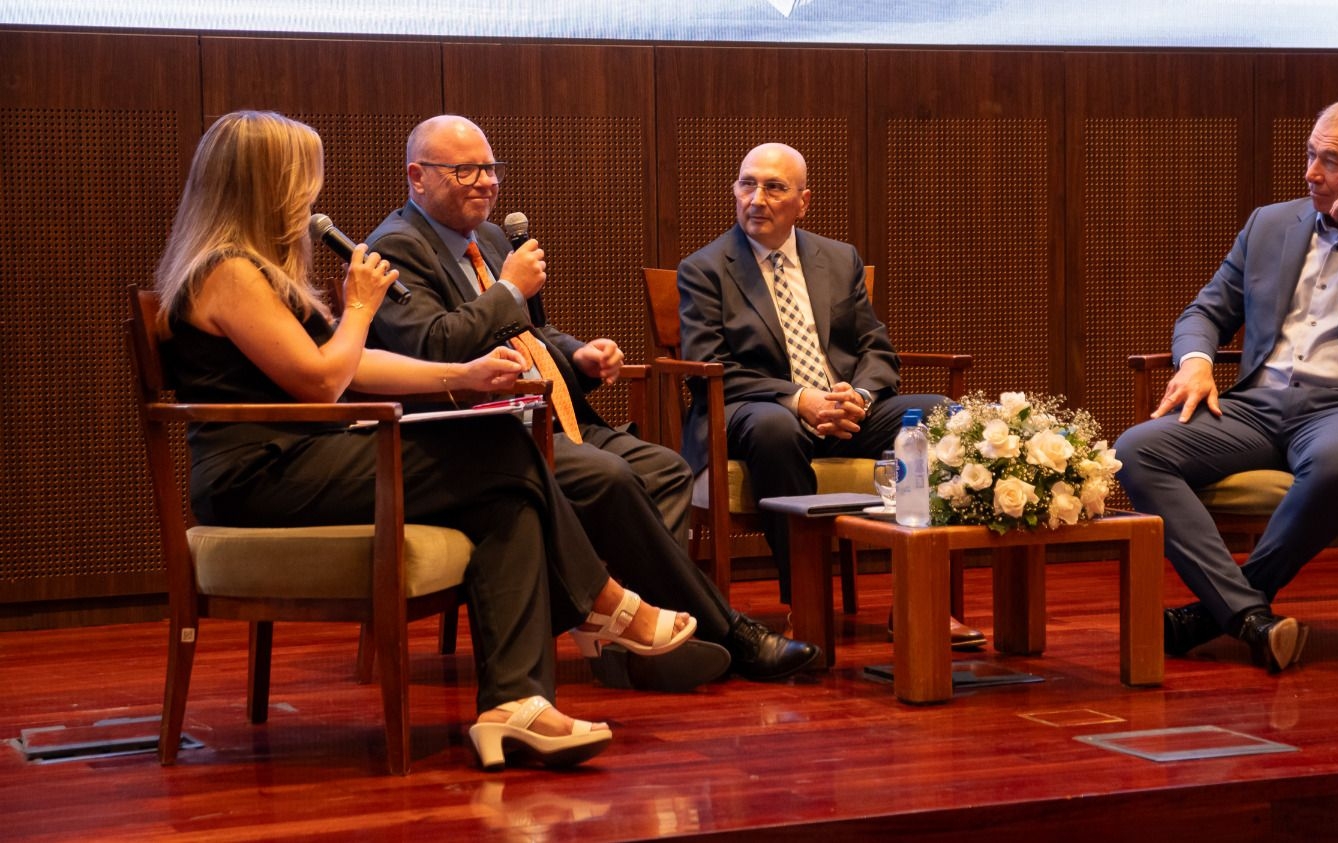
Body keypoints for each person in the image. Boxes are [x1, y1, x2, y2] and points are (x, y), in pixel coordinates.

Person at [153, 110, 702, 771]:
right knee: (499, 450)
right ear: (264, 183)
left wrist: (459, 375)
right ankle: (603, 603)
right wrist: (359, 307)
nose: (311, 197)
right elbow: (324, 382)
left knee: (506, 498)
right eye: (304, 180)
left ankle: (515, 706)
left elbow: (350, 364)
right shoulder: (226, 270)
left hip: (304, 458)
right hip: (261, 474)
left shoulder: (261, 268)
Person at [364, 115, 819, 683]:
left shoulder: (492, 240)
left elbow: (531, 336)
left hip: (545, 416)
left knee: (666, 469)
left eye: (491, 168)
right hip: (474, 436)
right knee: (610, 476)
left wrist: (579, 355)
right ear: (417, 177)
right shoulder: (393, 249)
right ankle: (723, 631)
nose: (486, 181)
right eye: (466, 170)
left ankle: (639, 642)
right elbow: (432, 346)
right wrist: (508, 289)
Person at [1114, 94, 1338, 674]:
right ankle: (1249, 616)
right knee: (1136, 451)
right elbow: (1204, 311)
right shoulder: (1269, 224)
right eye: (1309, 155)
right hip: (1256, 404)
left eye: (1328, 160)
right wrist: (1196, 360)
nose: (1311, 173)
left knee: (1335, 463)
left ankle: (1214, 612)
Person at [676, 142, 986, 650]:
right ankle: (807, 603)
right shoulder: (705, 268)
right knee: (775, 428)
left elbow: (875, 348)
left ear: (803, 201)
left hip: (845, 410)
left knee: (943, 416)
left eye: (774, 187)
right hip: (755, 414)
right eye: (747, 184)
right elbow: (710, 368)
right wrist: (800, 400)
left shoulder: (839, 259)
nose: (757, 198)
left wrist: (858, 397)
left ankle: (921, 601)